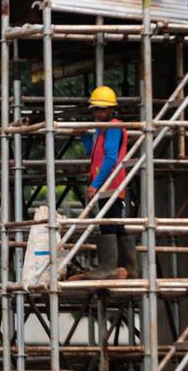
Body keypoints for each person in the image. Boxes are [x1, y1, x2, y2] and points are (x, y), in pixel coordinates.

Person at [70, 85, 140, 280]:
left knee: (108, 222)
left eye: (102, 109)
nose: (99, 112)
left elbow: (110, 158)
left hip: (109, 183)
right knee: (115, 223)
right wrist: (84, 134)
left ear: (111, 109)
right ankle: (128, 267)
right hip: (108, 183)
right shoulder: (102, 129)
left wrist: (95, 184)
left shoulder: (114, 127)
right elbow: (92, 152)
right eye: (97, 109)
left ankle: (109, 267)